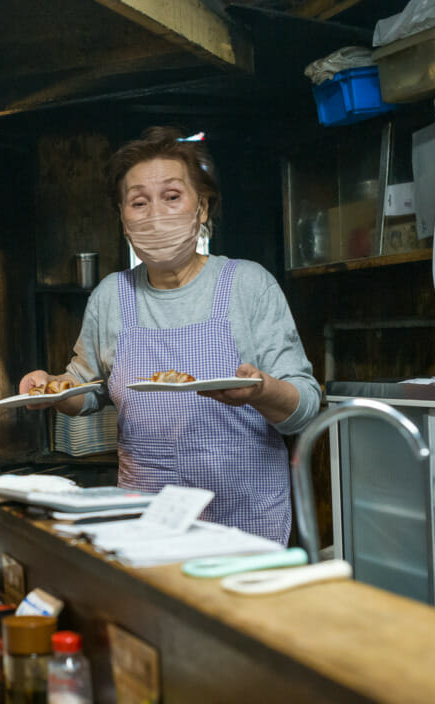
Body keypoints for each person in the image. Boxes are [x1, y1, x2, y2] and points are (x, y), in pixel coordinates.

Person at [20, 127, 320, 544]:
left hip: (243, 516)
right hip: (148, 518)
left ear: (203, 207)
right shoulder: (112, 295)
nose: (155, 214)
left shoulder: (248, 285)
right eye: (139, 202)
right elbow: (87, 391)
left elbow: (305, 405)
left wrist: (261, 391)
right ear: (123, 217)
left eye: (173, 197)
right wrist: (50, 389)